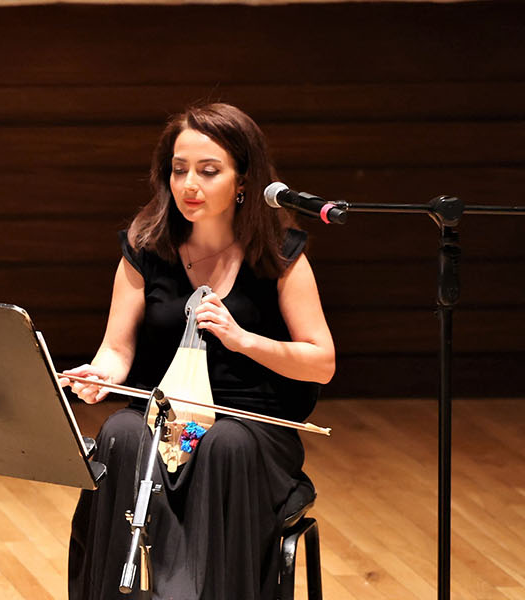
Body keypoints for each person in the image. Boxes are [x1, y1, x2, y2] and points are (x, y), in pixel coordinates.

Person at [61, 103, 335, 600]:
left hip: (251, 431)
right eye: (179, 169)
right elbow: (115, 351)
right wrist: (99, 376)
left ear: (243, 181)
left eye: (208, 171)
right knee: (120, 432)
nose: (189, 184)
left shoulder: (280, 256)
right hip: (164, 418)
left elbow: (322, 361)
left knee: (223, 445)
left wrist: (241, 339)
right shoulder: (145, 249)